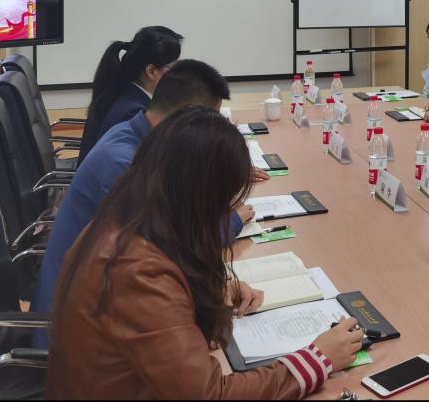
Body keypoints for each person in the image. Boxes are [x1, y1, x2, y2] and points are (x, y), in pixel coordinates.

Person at [48, 106, 363, 398]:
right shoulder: (139, 272)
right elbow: (209, 394)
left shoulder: (130, 215)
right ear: (198, 193)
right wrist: (317, 361)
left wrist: (203, 294)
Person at [34, 59, 268, 335]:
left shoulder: (136, 137)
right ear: (186, 119)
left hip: (104, 304)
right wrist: (231, 221)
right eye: (206, 125)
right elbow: (170, 248)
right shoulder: (123, 164)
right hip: (75, 329)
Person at [77, 25, 183, 165]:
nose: (179, 74)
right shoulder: (134, 113)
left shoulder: (121, 91)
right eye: (175, 68)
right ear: (151, 71)